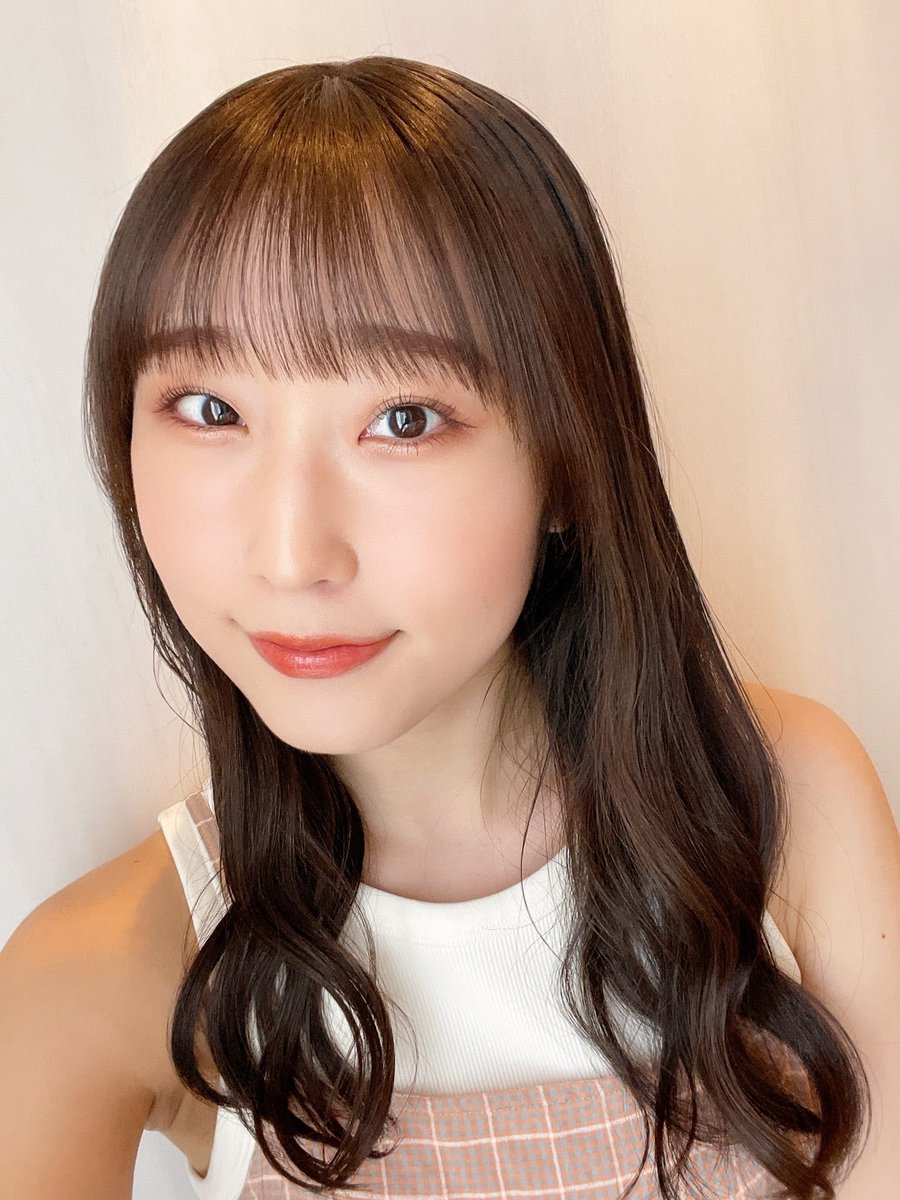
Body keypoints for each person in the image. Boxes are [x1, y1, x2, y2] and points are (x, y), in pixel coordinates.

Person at [1, 54, 897, 1200]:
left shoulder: (780, 805)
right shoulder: (106, 973)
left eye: (405, 420)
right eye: (210, 409)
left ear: (568, 464)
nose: (292, 556)